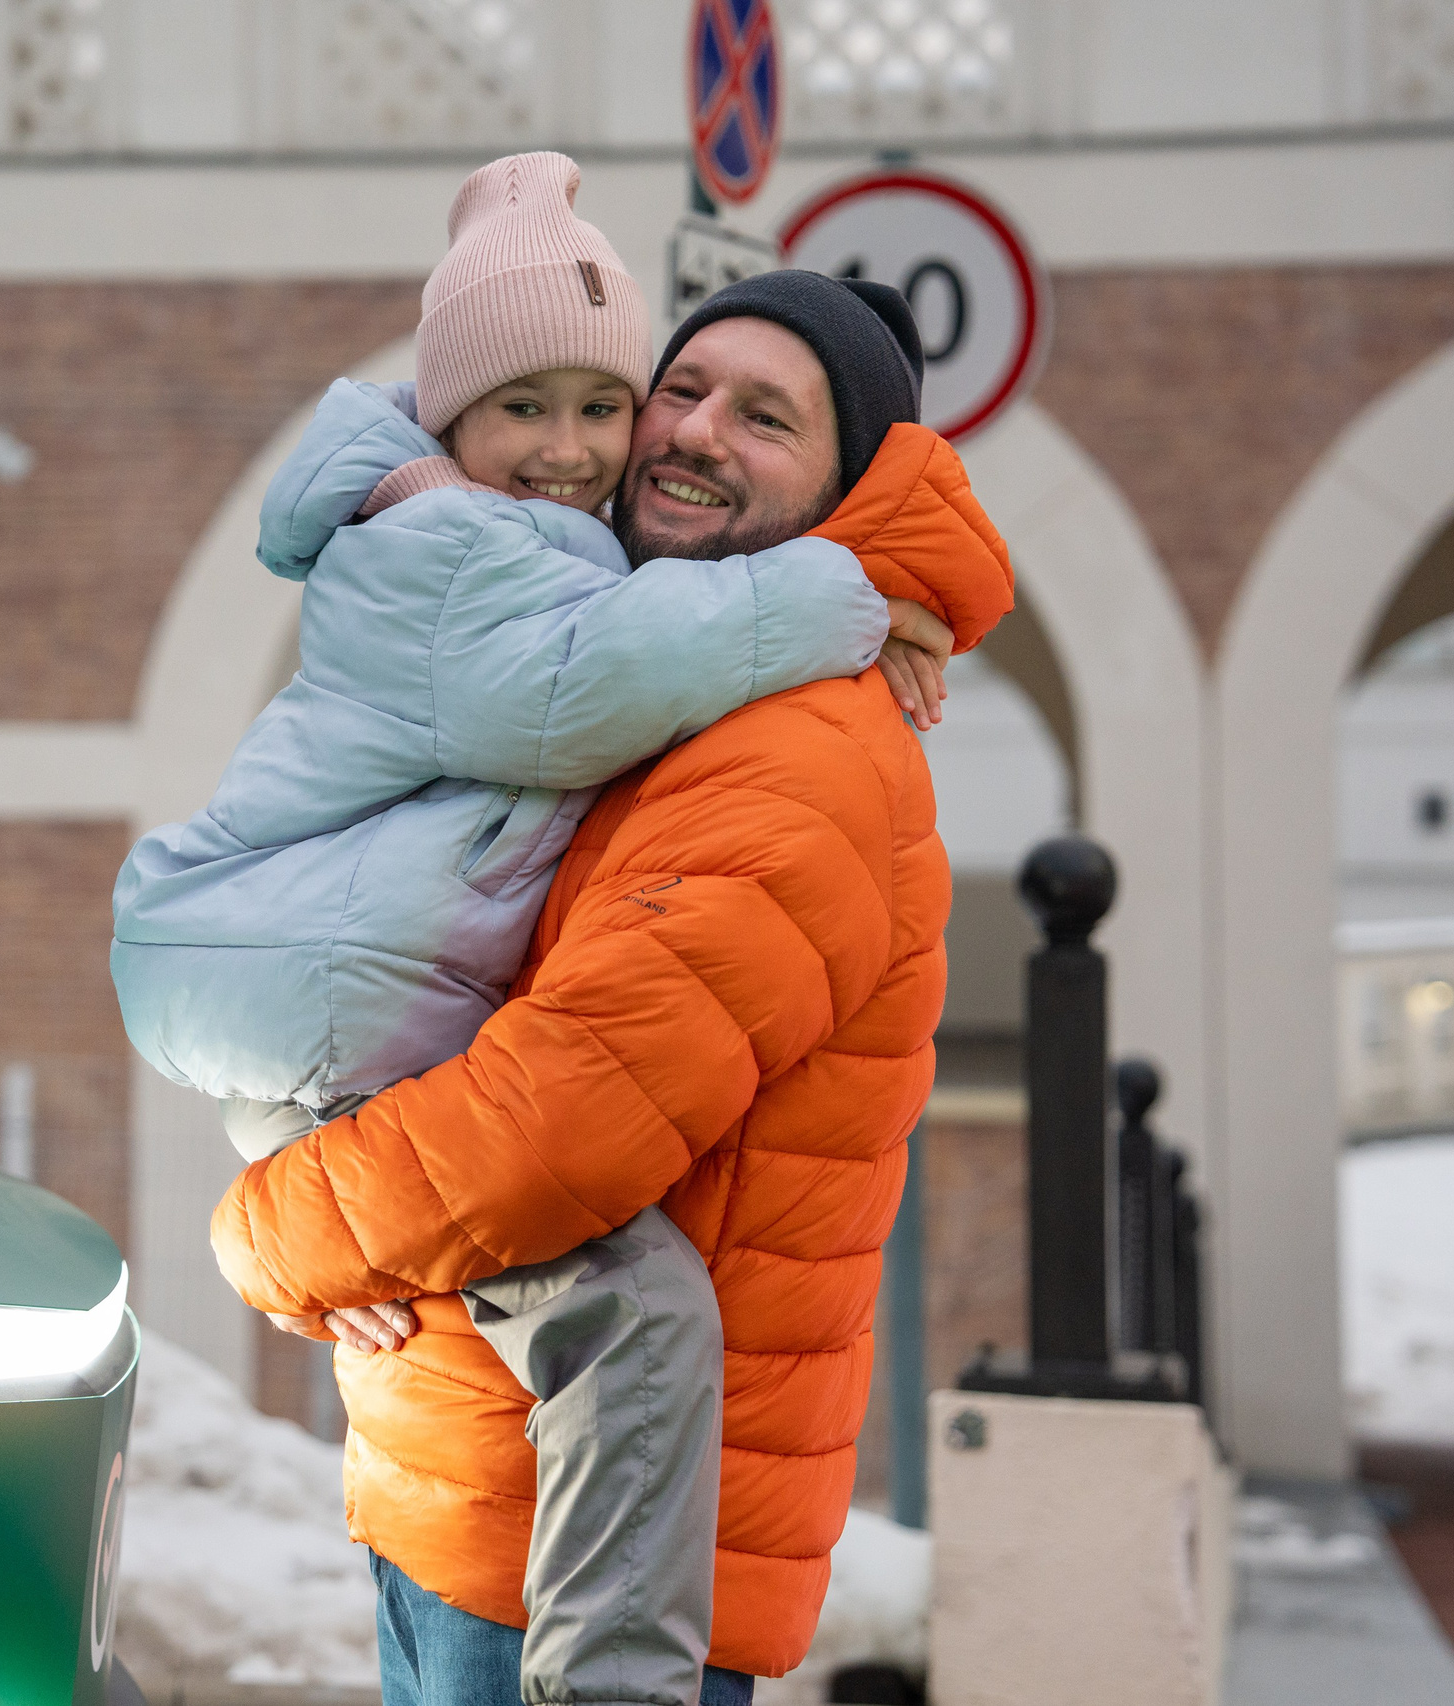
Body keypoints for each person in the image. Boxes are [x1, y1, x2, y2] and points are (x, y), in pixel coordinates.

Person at [112, 152, 955, 1706]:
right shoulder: (619, 635)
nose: (683, 433)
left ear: (841, 498)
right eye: (683, 388)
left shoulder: (795, 748)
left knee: (638, 1319)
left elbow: (559, 1122)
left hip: (580, 1579)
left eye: (764, 418)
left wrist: (278, 1230)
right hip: (496, 1503)